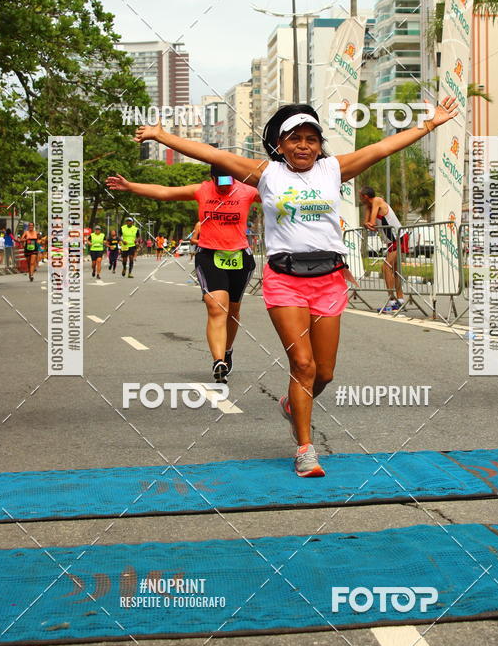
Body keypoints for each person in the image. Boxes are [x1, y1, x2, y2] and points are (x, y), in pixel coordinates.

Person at [131, 98, 458, 477]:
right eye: (294, 139)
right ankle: (305, 449)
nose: (303, 145)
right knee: (302, 364)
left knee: (325, 373)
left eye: (310, 139)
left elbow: (382, 147)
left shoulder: (333, 170)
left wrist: (429, 125)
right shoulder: (266, 173)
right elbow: (210, 152)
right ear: (280, 144)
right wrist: (161, 134)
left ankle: (292, 404)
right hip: (285, 279)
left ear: (319, 146)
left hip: (329, 278)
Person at [106, 165, 260, 382]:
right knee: (217, 308)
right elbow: (164, 192)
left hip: (240, 257)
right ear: (211, 178)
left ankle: (227, 351)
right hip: (209, 255)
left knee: (232, 311)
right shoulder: (202, 190)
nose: (225, 187)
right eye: (220, 182)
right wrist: (130, 186)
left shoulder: (247, 191)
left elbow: (282, 197)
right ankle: (218, 361)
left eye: (229, 182)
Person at [359, 187, 409, 312]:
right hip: (391, 240)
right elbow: (365, 223)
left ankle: (392, 301)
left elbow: (371, 223)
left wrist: (369, 224)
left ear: (365, 196)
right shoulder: (368, 206)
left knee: (385, 267)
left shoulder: (377, 201)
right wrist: (368, 224)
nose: (359, 198)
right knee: (395, 270)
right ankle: (400, 299)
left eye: (360, 196)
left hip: (399, 237)